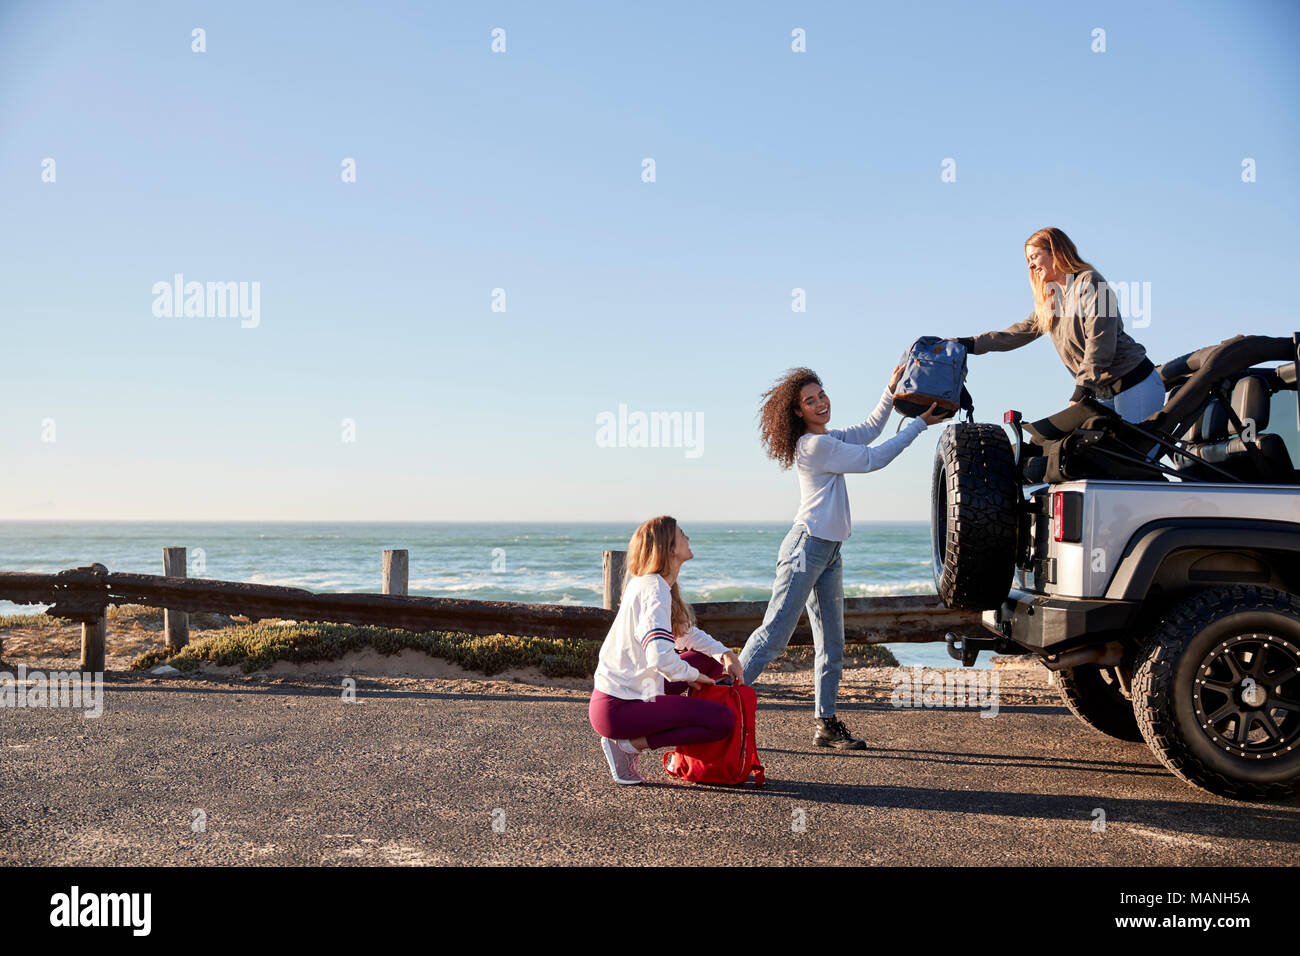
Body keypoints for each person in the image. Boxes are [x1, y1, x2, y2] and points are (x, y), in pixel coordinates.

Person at [738, 365, 945, 749]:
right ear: (797, 411)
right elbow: (873, 458)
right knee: (773, 636)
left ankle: (826, 723)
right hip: (805, 549)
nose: (820, 402)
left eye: (821, 395)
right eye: (810, 400)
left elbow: (868, 432)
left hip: (829, 551)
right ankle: (720, 701)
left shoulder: (828, 438)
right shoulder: (816, 446)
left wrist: (888, 390)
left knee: (832, 644)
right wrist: (918, 425)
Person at [588, 515, 746, 785]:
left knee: (710, 662)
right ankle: (628, 745)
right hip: (619, 709)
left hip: (635, 694)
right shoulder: (653, 590)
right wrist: (693, 677)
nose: (688, 537)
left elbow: (686, 635)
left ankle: (688, 744)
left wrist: (725, 655)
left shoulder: (657, 585)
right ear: (668, 547)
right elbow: (659, 656)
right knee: (723, 721)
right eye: (682, 534)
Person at [949, 226, 1164, 423]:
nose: (1031, 265)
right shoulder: (1053, 300)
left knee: (1134, 459)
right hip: (1103, 392)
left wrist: (1082, 388)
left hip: (1134, 384)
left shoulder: (1092, 282)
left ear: (1055, 251)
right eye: (1028, 261)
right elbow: (1017, 334)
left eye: (1034, 257)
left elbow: (1101, 340)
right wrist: (967, 344)